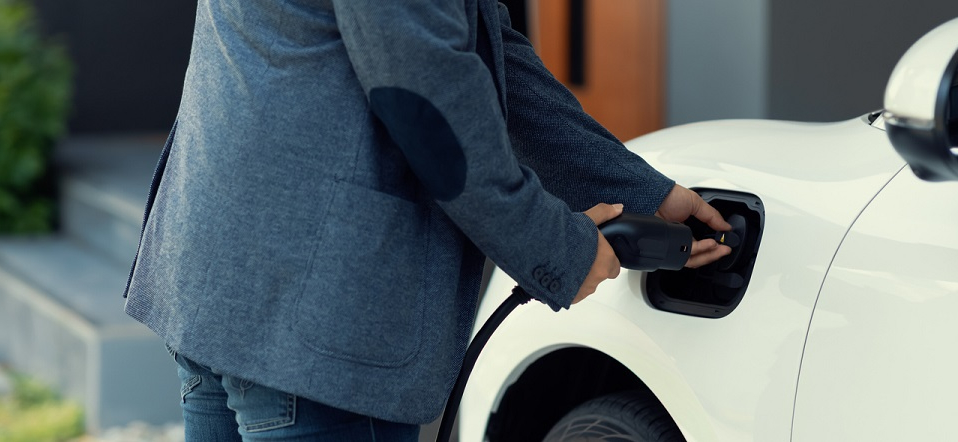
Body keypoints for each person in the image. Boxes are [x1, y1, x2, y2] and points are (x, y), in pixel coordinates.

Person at [123, 0, 733, 440]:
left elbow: (479, 50)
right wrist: (561, 249)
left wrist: (635, 188)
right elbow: (429, 95)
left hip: (218, 277)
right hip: (317, 322)